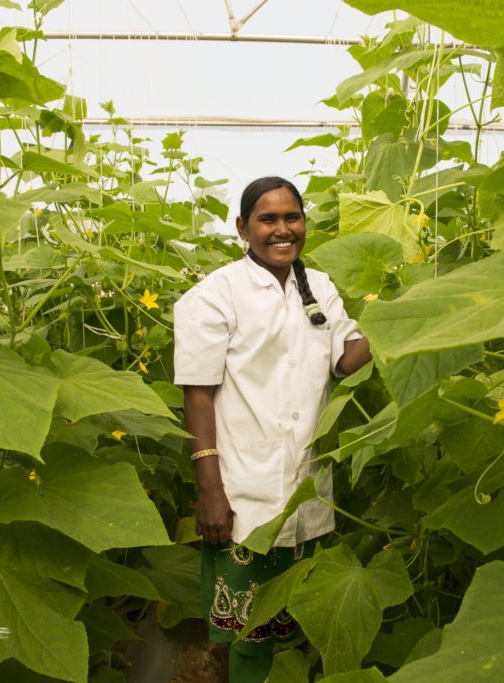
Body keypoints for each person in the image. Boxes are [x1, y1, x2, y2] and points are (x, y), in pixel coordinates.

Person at [173, 176, 372, 682]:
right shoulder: (216, 294)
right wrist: (209, 490)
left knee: (299, 623)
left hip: (307, 489)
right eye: (268, 219)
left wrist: (394, 319)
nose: (283, 229)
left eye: (293, 217)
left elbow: (346, 361)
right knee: (249, 633)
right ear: (243, 228)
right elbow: (197, 392)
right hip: (244, 494)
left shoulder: (319, 287)